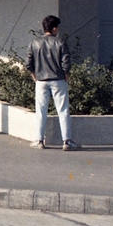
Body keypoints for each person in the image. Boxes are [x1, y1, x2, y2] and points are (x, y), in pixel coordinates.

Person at [28, 14, 80, 150]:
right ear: (55, 28)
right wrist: (66, 74)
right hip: (58, 79)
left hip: (41, 80)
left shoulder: (35, 43)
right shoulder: (60, 42)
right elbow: (66, 62)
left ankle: (39, 140)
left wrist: (34, 75)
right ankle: (67, 141)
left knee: (41, 111)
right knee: (63, 110)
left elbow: (29, 63)